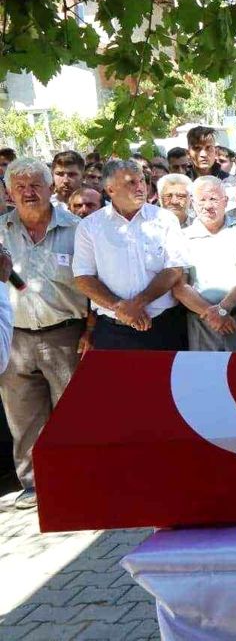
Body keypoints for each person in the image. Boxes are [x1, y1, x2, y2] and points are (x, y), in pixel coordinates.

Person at [0, 159, 89, 511]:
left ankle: (79, 478)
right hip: (14, 339)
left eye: (36, 184)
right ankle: (35, 485)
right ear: (8, 192)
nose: (28, 191)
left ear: (51, 187)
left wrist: (91, 330)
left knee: (73, 415)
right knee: (23, 416)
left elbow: (93, 284)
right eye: (19, 186)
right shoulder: (0, 231)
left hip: (66, 334)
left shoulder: (77, 228)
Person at [73, 160, 189, 351]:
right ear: (110, 190)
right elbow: (83, 277)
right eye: (131, 183)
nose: (140, 187)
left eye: (142, 181)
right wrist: (119, 307)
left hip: (164, 327)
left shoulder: (165, 219)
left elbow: (174, 269)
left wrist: (138, 303)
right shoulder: (90, 226)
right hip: (113, 331)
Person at [173, 175, 236, 351]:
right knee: (206, 375)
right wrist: (213, 315)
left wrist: (223, 309)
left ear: (225, 201)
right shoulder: (182, 237)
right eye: (202, 200)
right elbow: (179, 287)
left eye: (214, 199)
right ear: (192, 202)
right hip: (202, 322)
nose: (208, 206)